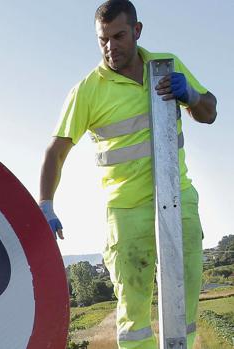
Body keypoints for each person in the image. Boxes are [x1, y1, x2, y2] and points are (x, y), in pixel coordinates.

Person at [38, 1, 217, 348]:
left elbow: (209, 113)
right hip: (126, 211)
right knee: (133, 320)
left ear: (137, 31)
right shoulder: (88, 90)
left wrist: (191, 94)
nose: (110, 47)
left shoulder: (165, 66)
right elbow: (55, 151)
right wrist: (46, 203)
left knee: (186, 307)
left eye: (118, 36)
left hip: (180, 200)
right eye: (102, 40)